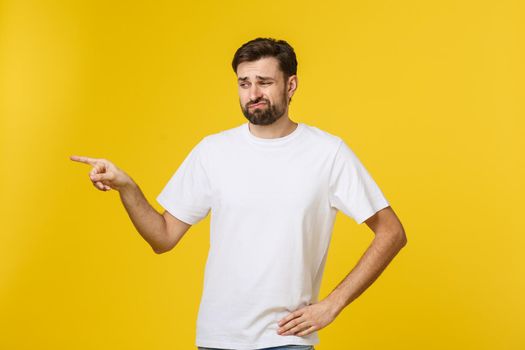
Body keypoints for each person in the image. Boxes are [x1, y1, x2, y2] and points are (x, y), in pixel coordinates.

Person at [70, 37, 407, 350]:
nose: (253, 93)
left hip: (286, 341)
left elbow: (391, 232)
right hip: (217, 339)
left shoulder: (327, 153)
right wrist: (127, 188)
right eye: (244, 83)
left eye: (264, 82)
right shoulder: (213, 151)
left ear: (291, 85)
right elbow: (163, 237)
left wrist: (333, 304)